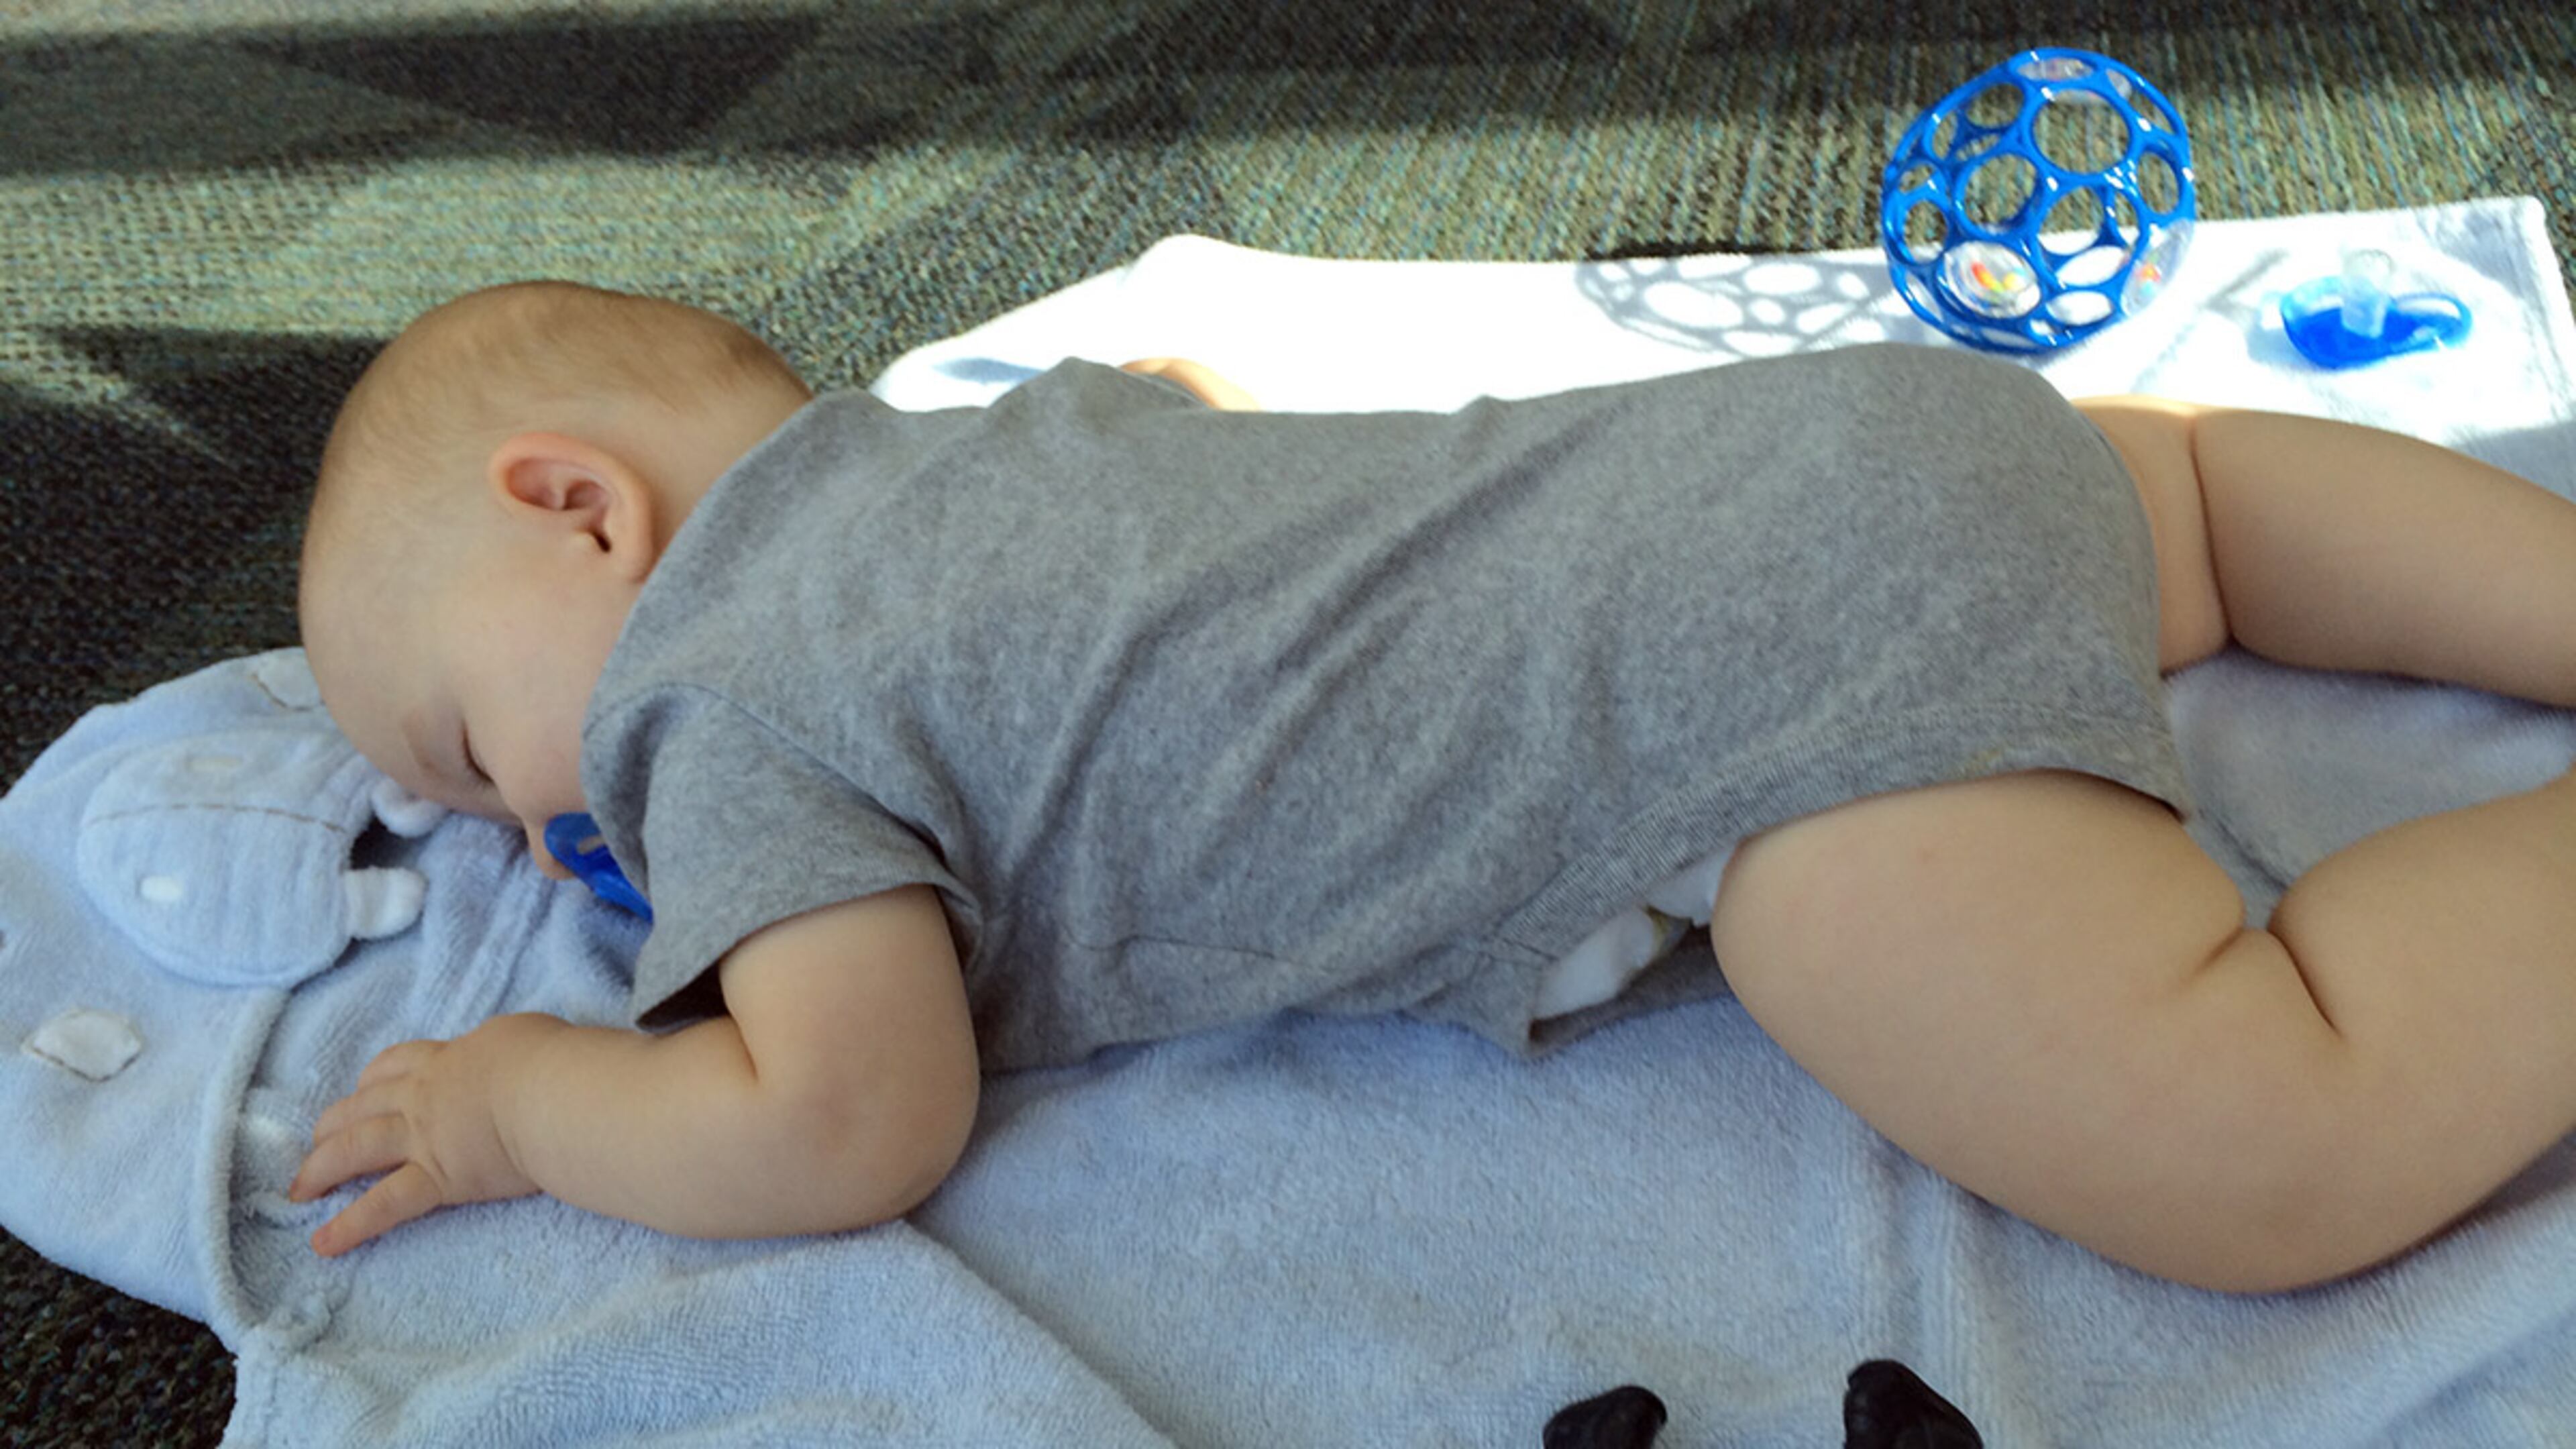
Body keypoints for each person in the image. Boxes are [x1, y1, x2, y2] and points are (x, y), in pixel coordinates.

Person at [290, 280, 2576, 1294]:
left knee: (2263, 1149)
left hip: (1765, 692)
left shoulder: (721, 699)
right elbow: (1188, 426)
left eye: (471, 755)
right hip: (1866, 439)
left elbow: (837, 1115)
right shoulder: (976, 445)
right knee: (2176, 511)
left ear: (580, 507)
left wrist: (517, 1104)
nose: (526, 834)